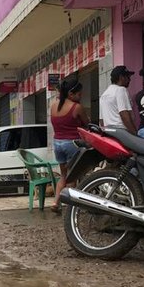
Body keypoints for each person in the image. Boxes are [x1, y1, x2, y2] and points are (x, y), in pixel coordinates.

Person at [50, 76, 89, 213]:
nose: (80, 96)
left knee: (63, 176)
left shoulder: (53, 106)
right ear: (71, 94)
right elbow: (87, 124)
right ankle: (70, 207)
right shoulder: (76, 107)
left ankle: (56, 202)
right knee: (72, 178)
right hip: (72, 144)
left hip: (57, 143)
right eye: (79, 94)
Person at [99, 65, 138, 134]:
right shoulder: (121, 90)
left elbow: (101, 120)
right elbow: (124, 114)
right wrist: (135, 133)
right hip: (122, 132)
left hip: (109, 132)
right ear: (121, 77)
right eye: (128, 77)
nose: (129, 80)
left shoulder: (104, 95)